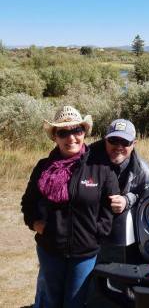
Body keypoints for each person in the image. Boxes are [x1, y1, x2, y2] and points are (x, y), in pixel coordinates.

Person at [21, 106, 120, 308]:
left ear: (84, 133)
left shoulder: (100, 167)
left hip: (85, 253)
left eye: (77, 130)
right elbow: (28, 202)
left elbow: (109, 207)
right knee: (50, 301)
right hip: (50, 250)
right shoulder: (43, 167)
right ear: (55, 137)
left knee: (75, 303)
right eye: (63, 132)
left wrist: (96, 233)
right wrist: (36, 224)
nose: (71, 137)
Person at [90, 119, 149, 252]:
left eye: (125, 142)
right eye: (113, 140)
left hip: (121, 229)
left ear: (134, 144)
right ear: (105, 140)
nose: (118, 146)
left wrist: (126, 200)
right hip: (89, 225)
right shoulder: (87, 160)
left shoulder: (142, 170)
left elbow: (144, 194)